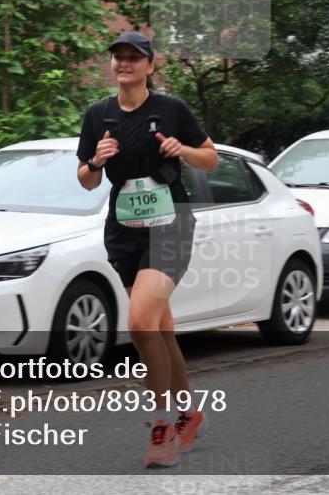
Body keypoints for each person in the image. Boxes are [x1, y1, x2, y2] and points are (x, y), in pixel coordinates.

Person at [77, 30, 219, 466]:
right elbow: (85, 179)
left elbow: (210, 158)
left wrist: (183, 150)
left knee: (140, 324)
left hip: (171, 226)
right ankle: (189, 414)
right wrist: (97, 162)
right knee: (160, 331)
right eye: (118, 57)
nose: (124, 64)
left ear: (150, 66)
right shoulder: (98, 115)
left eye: (133, 58)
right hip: (124, 232)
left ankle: (161, 426)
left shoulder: (171, 109)